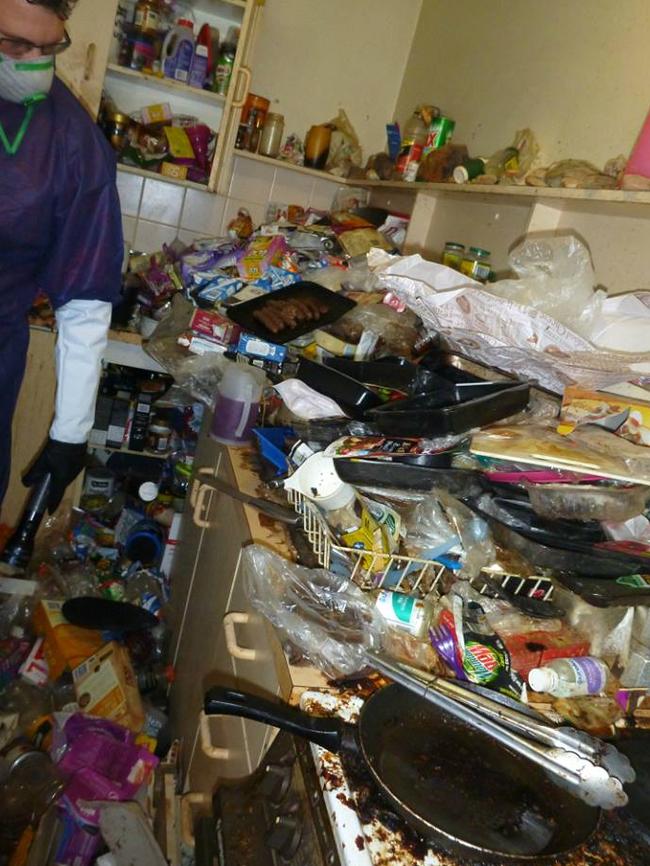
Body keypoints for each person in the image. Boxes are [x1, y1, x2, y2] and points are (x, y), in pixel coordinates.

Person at [0, 0, 123, 514]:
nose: (32, 63)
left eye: (49, 49)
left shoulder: (74, 142)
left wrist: (70, 432)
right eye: (13, 45)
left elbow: (86, 297)